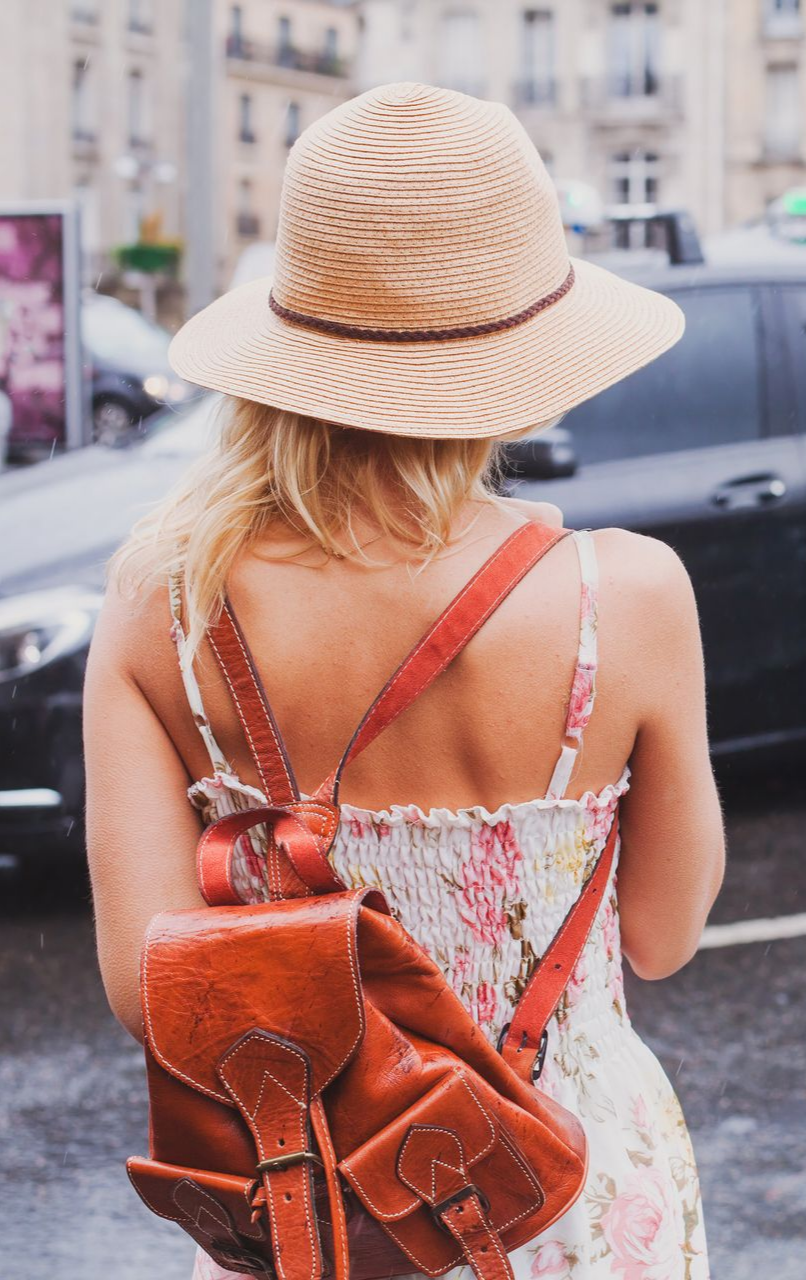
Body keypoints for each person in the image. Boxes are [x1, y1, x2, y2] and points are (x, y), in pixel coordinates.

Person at [84, 82, 724, 1279]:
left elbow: (148, 991)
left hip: (312, 1211)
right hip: (564, 1192)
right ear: (523, 350)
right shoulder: (623, 596)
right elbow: (663, 932)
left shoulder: (162, 608)